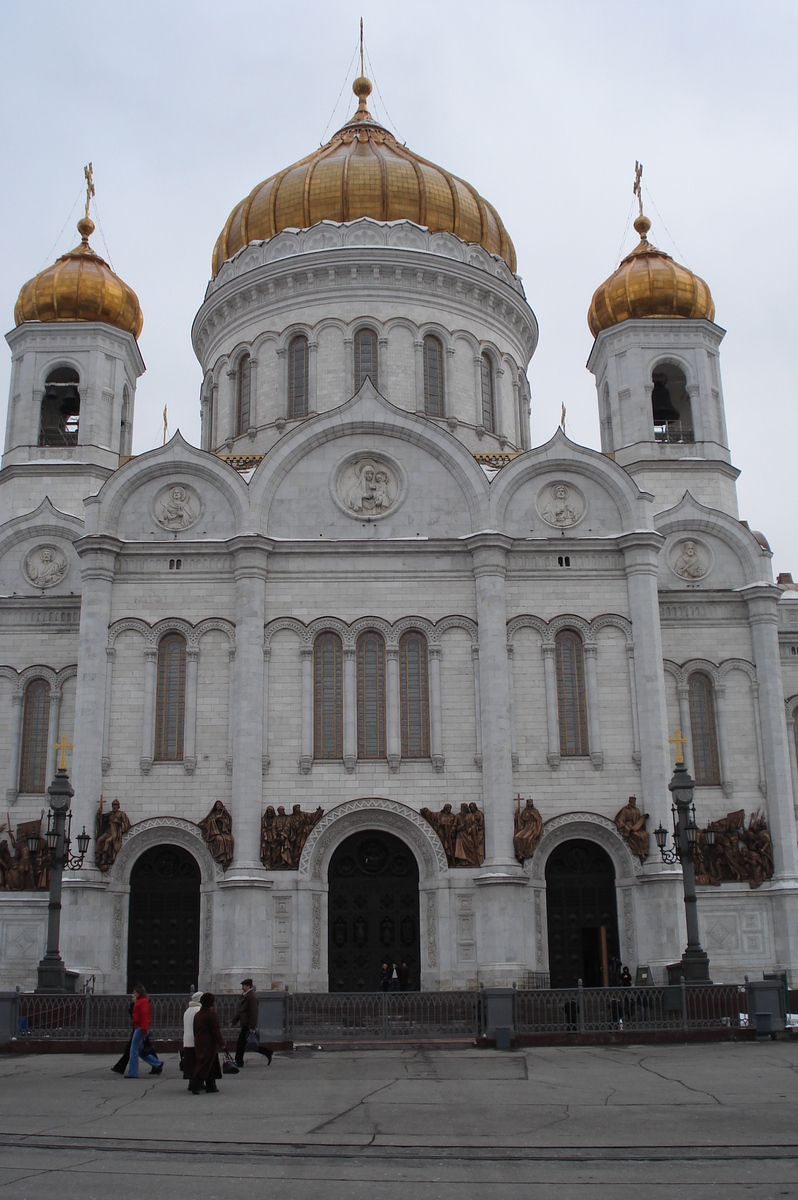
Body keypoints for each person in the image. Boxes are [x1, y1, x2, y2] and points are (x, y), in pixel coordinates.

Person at [231, 978, 273, 1066]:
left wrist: (252, 1026)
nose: (242, 988)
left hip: (247, 1024)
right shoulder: (246, 996)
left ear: (248, 986)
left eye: (243, 986)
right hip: (245, 1023)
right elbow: (240, 1011)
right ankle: (267, 1052)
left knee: (242, 1043)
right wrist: (233, 1022)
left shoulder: (251, 997)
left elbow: (254, 1012)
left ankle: (238, 1061)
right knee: (248, 1044)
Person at [126, 984, 163, 1079]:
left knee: (133, 1050)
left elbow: (144, 1016)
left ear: (139, 993)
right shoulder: (141, 1002)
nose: (133, 994)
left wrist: (143, 1029)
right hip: (140, 1028)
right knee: (139, 1051)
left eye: (135, 992)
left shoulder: (142, 1002)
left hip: (140, 1028)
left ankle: (133, 1072)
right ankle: (157, 1063)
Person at [190, 992, 225, 1094]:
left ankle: (211, 1085)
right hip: (208, 1043)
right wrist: (221, 1042)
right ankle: (195, 1085)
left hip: (199, 1042)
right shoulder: (211, 1014)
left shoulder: (198, 1015)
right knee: (204, 1064)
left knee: (210, 1064)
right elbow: (215, 1030)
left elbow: (194, 1029)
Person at [181, 991, 203, 1087]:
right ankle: (198, 1083)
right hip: (196, 1040)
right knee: (198, 1062)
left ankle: (191, 1082)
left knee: (190, 1063)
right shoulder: (199, 1010)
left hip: (187, 1040)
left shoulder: (187, 1011)